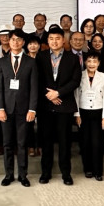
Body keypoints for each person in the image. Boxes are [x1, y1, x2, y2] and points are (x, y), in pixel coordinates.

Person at [36, 26, 81, 186]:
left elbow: (75, 81)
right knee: (46, 141)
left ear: (63, 40)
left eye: (57, 39)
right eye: (51, 39)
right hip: (45, 106)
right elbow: (36, 79)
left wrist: (58, 93)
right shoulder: (40, 57)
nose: (54, 41)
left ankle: (66, 174)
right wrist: (49, 95)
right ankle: (45, 172)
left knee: (65, 142)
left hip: (64, 105)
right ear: (47, 41)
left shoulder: (72, 58)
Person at [0, 29, 38, 187]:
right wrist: (0, 108)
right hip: (6, 109)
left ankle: (22, 175)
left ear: (23, 42)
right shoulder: (2, 62)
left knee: (22, 143)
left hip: (24, 110)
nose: (15, 42)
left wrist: (32, 109)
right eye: (13, 39)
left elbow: (34, 88)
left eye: (19, 40)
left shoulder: (30, 62)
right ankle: (8, 175)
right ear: (9, 41)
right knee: (7, 144)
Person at [74, 51, 104, 181]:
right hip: (83, 112)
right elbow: (76, 95)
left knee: (97, 143)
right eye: (89, 61)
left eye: (95, 61)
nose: (91, 64)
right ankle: (88, 169)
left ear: (99, 63)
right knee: (85, 143)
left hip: (98, 112)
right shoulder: (79, 75)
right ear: (85, 62)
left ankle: (98, 171)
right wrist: (77, 114)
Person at [25, 35, 42, 157]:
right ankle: (30, 146)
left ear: (39, 46)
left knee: (42, 123)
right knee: (28, 123)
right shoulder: (23, 59)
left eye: (35, 43)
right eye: (30, 44)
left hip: (42, 95)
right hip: (27, 95)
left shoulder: (44, 58)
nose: (32, 46)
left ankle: (40, 145)